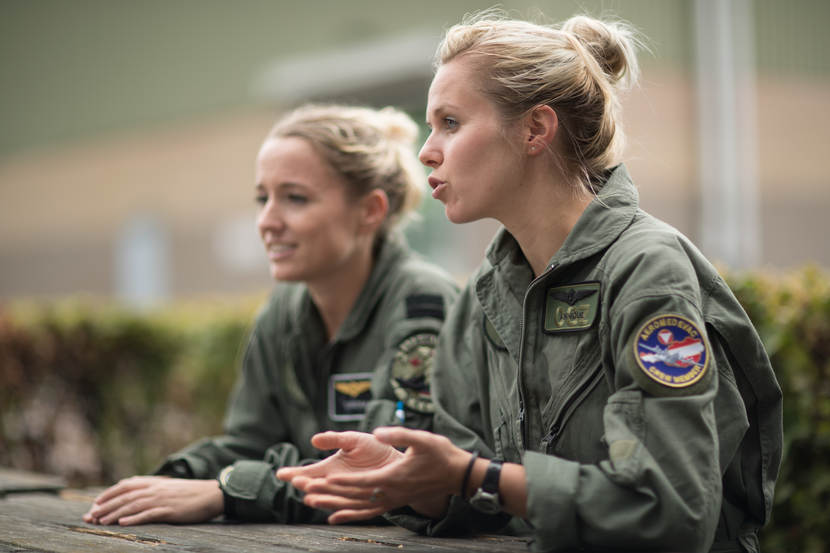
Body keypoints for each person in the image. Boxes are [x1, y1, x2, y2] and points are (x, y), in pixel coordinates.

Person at [276, 12, 783, 553]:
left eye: (451, 122)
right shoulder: (486, 295)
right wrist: (415, 480)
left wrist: (474, 476)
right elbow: (475, 488)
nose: (426, 149)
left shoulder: (647, 271)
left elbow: (670, 513)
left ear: (535, 129)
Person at [82, 104, 459, 526]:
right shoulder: (283, 309)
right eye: (263, 198)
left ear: (370, 210)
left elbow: (389, 475)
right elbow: (249, 443)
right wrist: (171, 480)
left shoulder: (422, 303)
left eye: (295, 198)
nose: (267, 221)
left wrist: (228, 491)